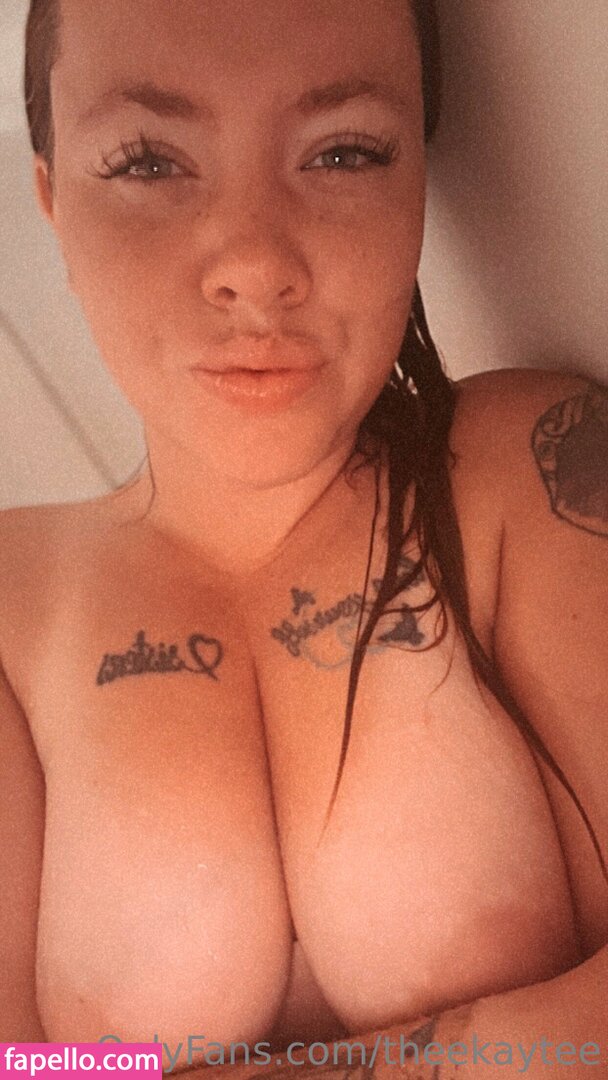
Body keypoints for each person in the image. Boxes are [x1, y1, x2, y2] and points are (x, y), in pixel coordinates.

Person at [1, 0, 606, 1074]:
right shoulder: (13, 603)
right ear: (52, 200)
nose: (253, 261)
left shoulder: (535, 465)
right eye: (148, 162)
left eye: (342, 152)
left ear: (419, 180)